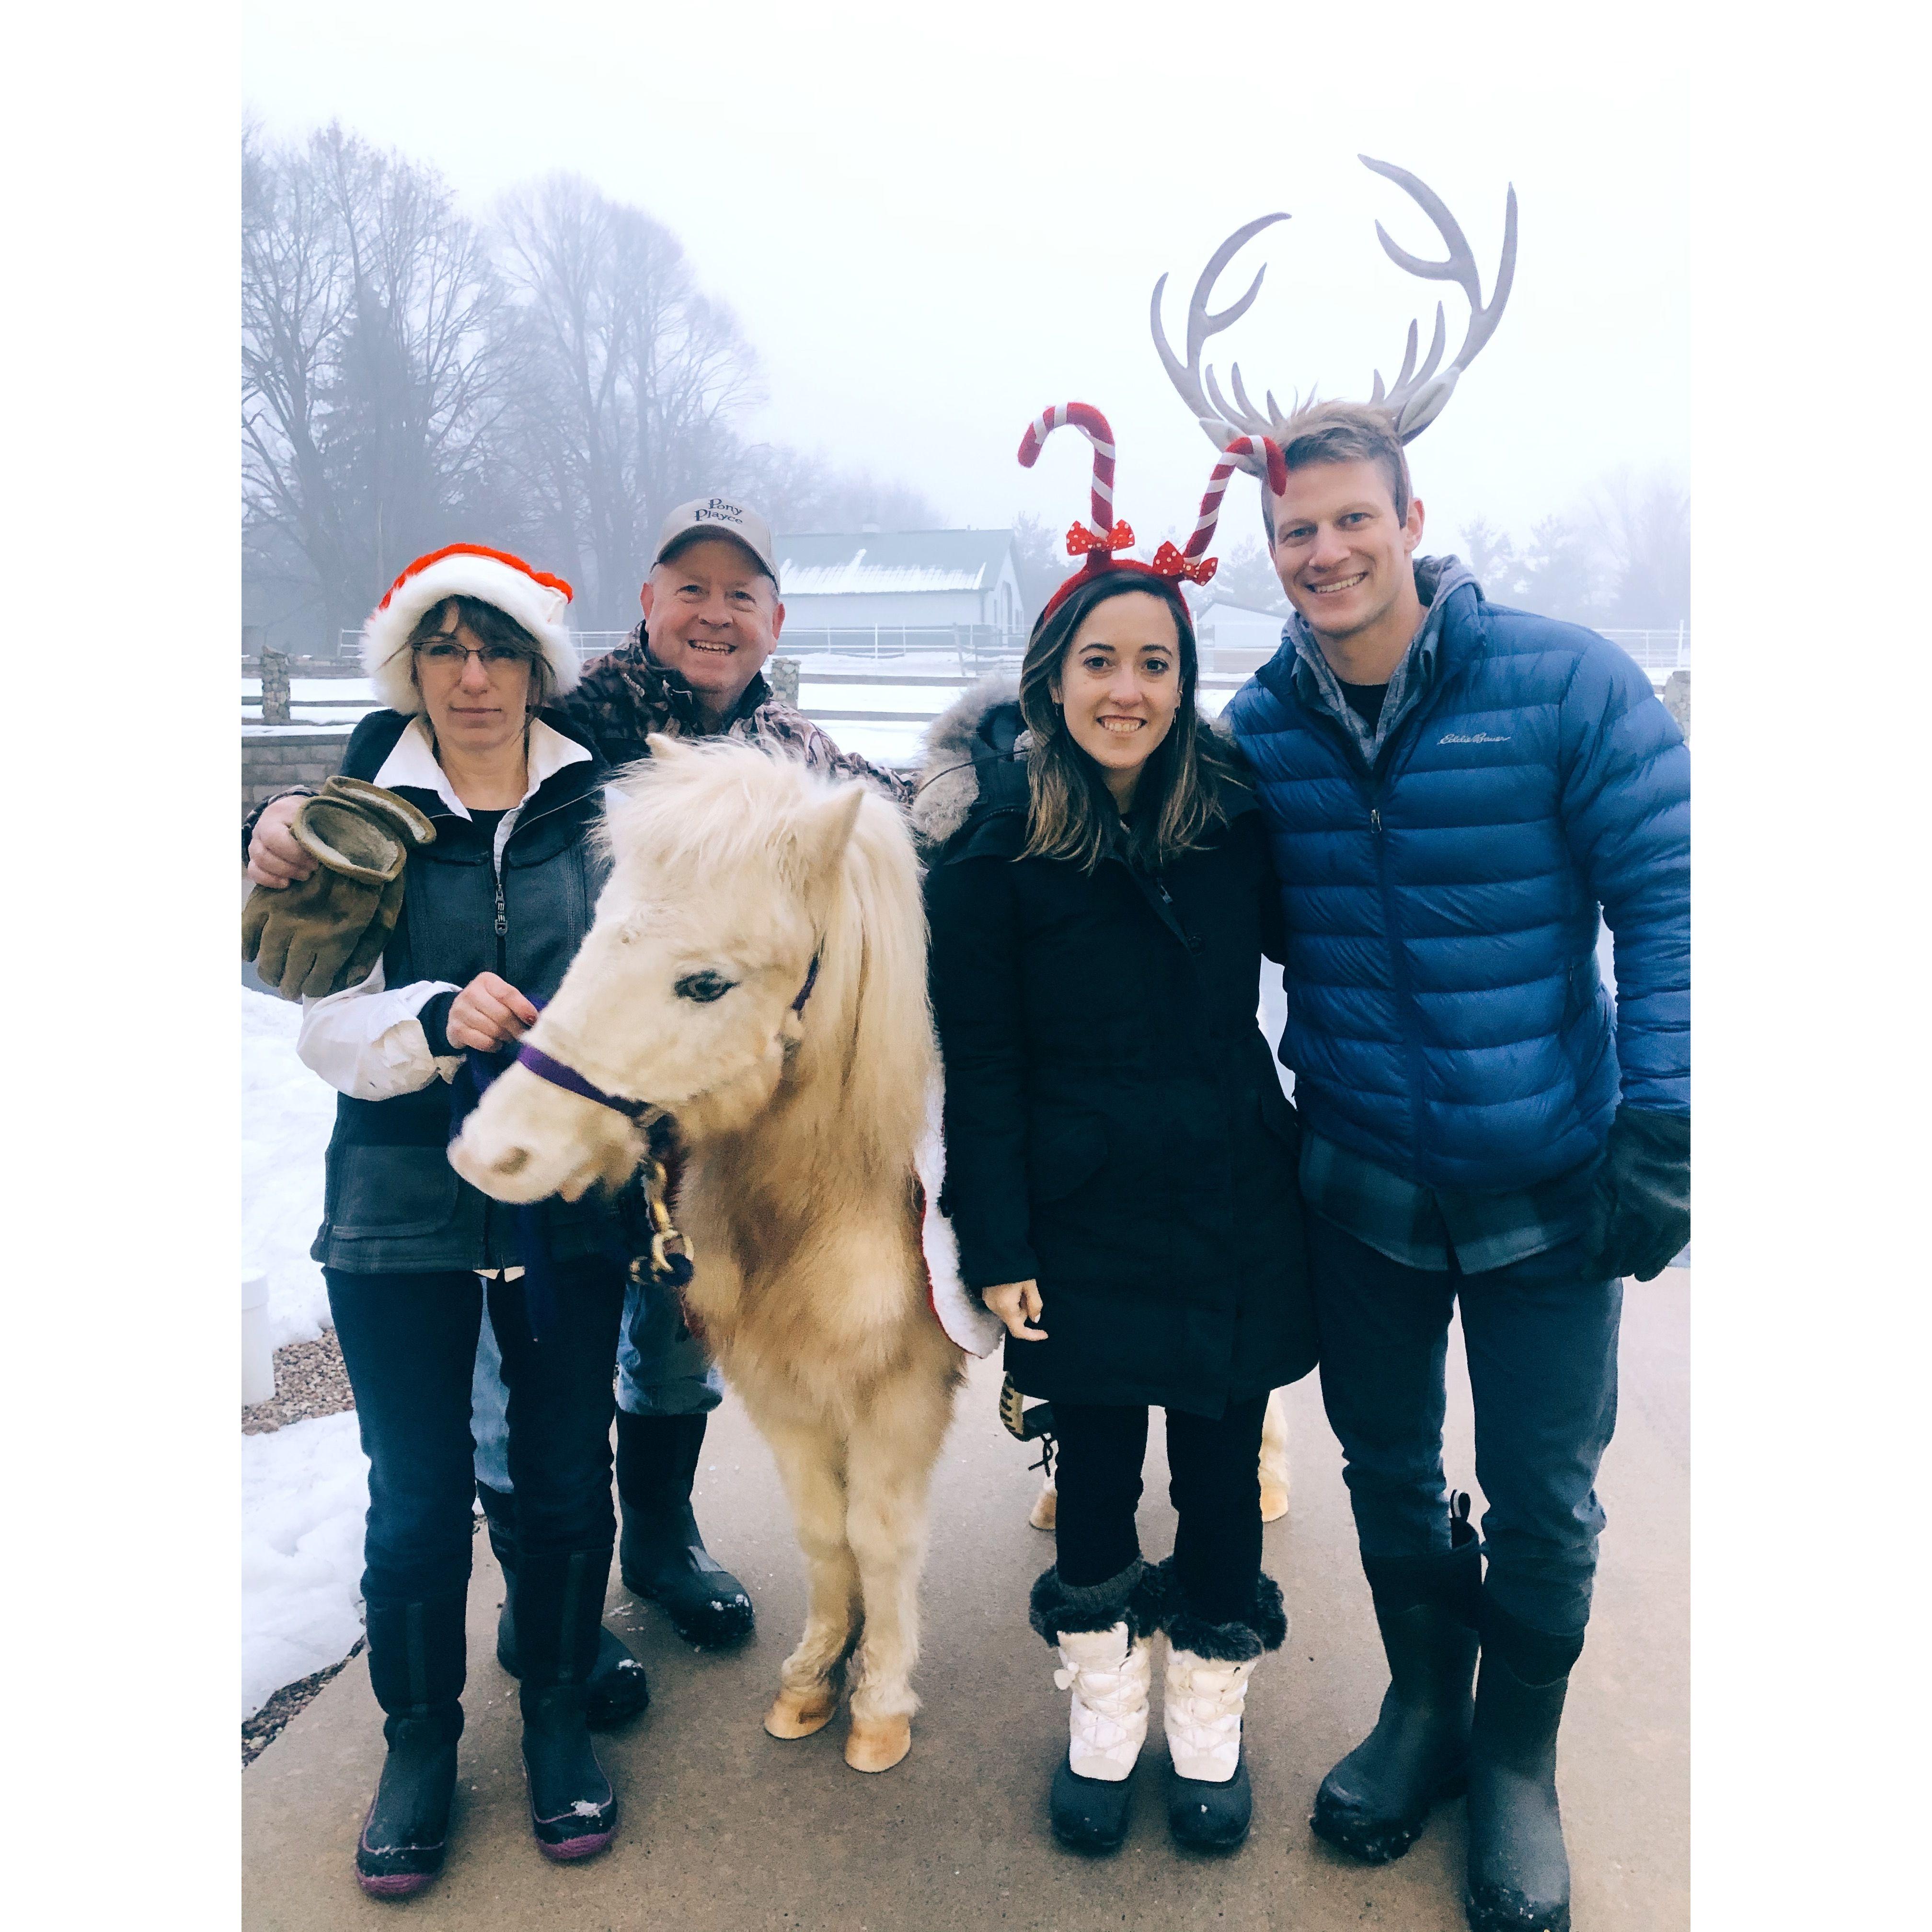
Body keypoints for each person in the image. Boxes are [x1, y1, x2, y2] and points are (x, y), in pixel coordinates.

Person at [247, 496, 911, 1654]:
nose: (713, 615)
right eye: (689, 590)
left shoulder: (798, 750)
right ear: (646, 603)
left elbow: (897, 833)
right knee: (537, 1366)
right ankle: (552, 1600)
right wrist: (288, 810)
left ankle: (660, 1537)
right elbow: (424, 732)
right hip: (574, 1083)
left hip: (713, 1113)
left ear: (773, 619)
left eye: (739, 595)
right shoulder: (579, 714)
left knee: (674, 1345)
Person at [918, 406, 1317, 1857]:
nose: (1129, 690)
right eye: (1101, 662)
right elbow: (986, 1062)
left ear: (1184, 679)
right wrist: (998, 1239)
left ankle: (1206, 1713)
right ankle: (1103, 1711)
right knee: (1092, 1470)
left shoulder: (1238, 827)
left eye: (1156, 664)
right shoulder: (995, 853)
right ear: (1051, 679)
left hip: (1225, 1198)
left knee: (1220, 1465)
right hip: (1074, 1211)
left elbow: (1335, 949)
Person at [296, 545, 631, 1892]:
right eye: (445, 651)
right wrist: (433, 1018)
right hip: (398, 1209)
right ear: (410, 669)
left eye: (499, 649)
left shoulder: (605, 811)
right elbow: (318, 1024)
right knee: (418, 1497)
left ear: (539, 663)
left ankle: (554, 1719)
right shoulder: (360, 814)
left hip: (567, 1198)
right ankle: (418, 1744)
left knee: (562, 1477)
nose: (475, 678)